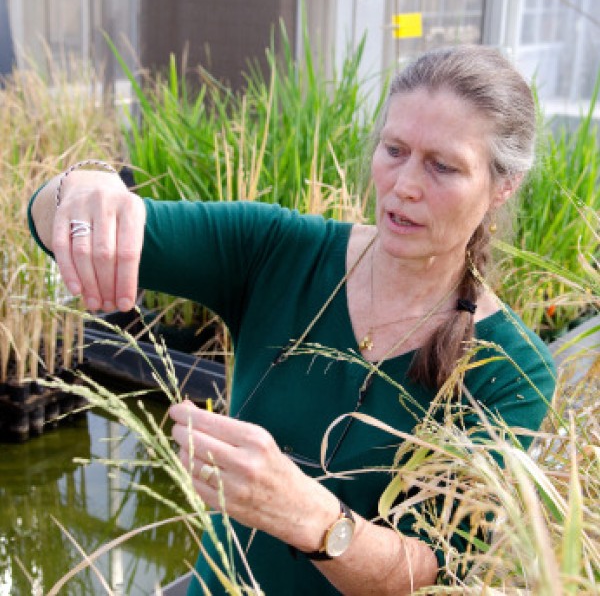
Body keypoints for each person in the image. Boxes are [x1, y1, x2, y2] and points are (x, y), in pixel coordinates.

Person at [28, 45, 555, 595]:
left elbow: (436, 572)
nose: (405, 185)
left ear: (503, 186)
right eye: (393, 149)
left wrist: (309, 518)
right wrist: (83, 189)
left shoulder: (511, 366)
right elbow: (50, 222)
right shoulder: (279, 250)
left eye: (442, 166)